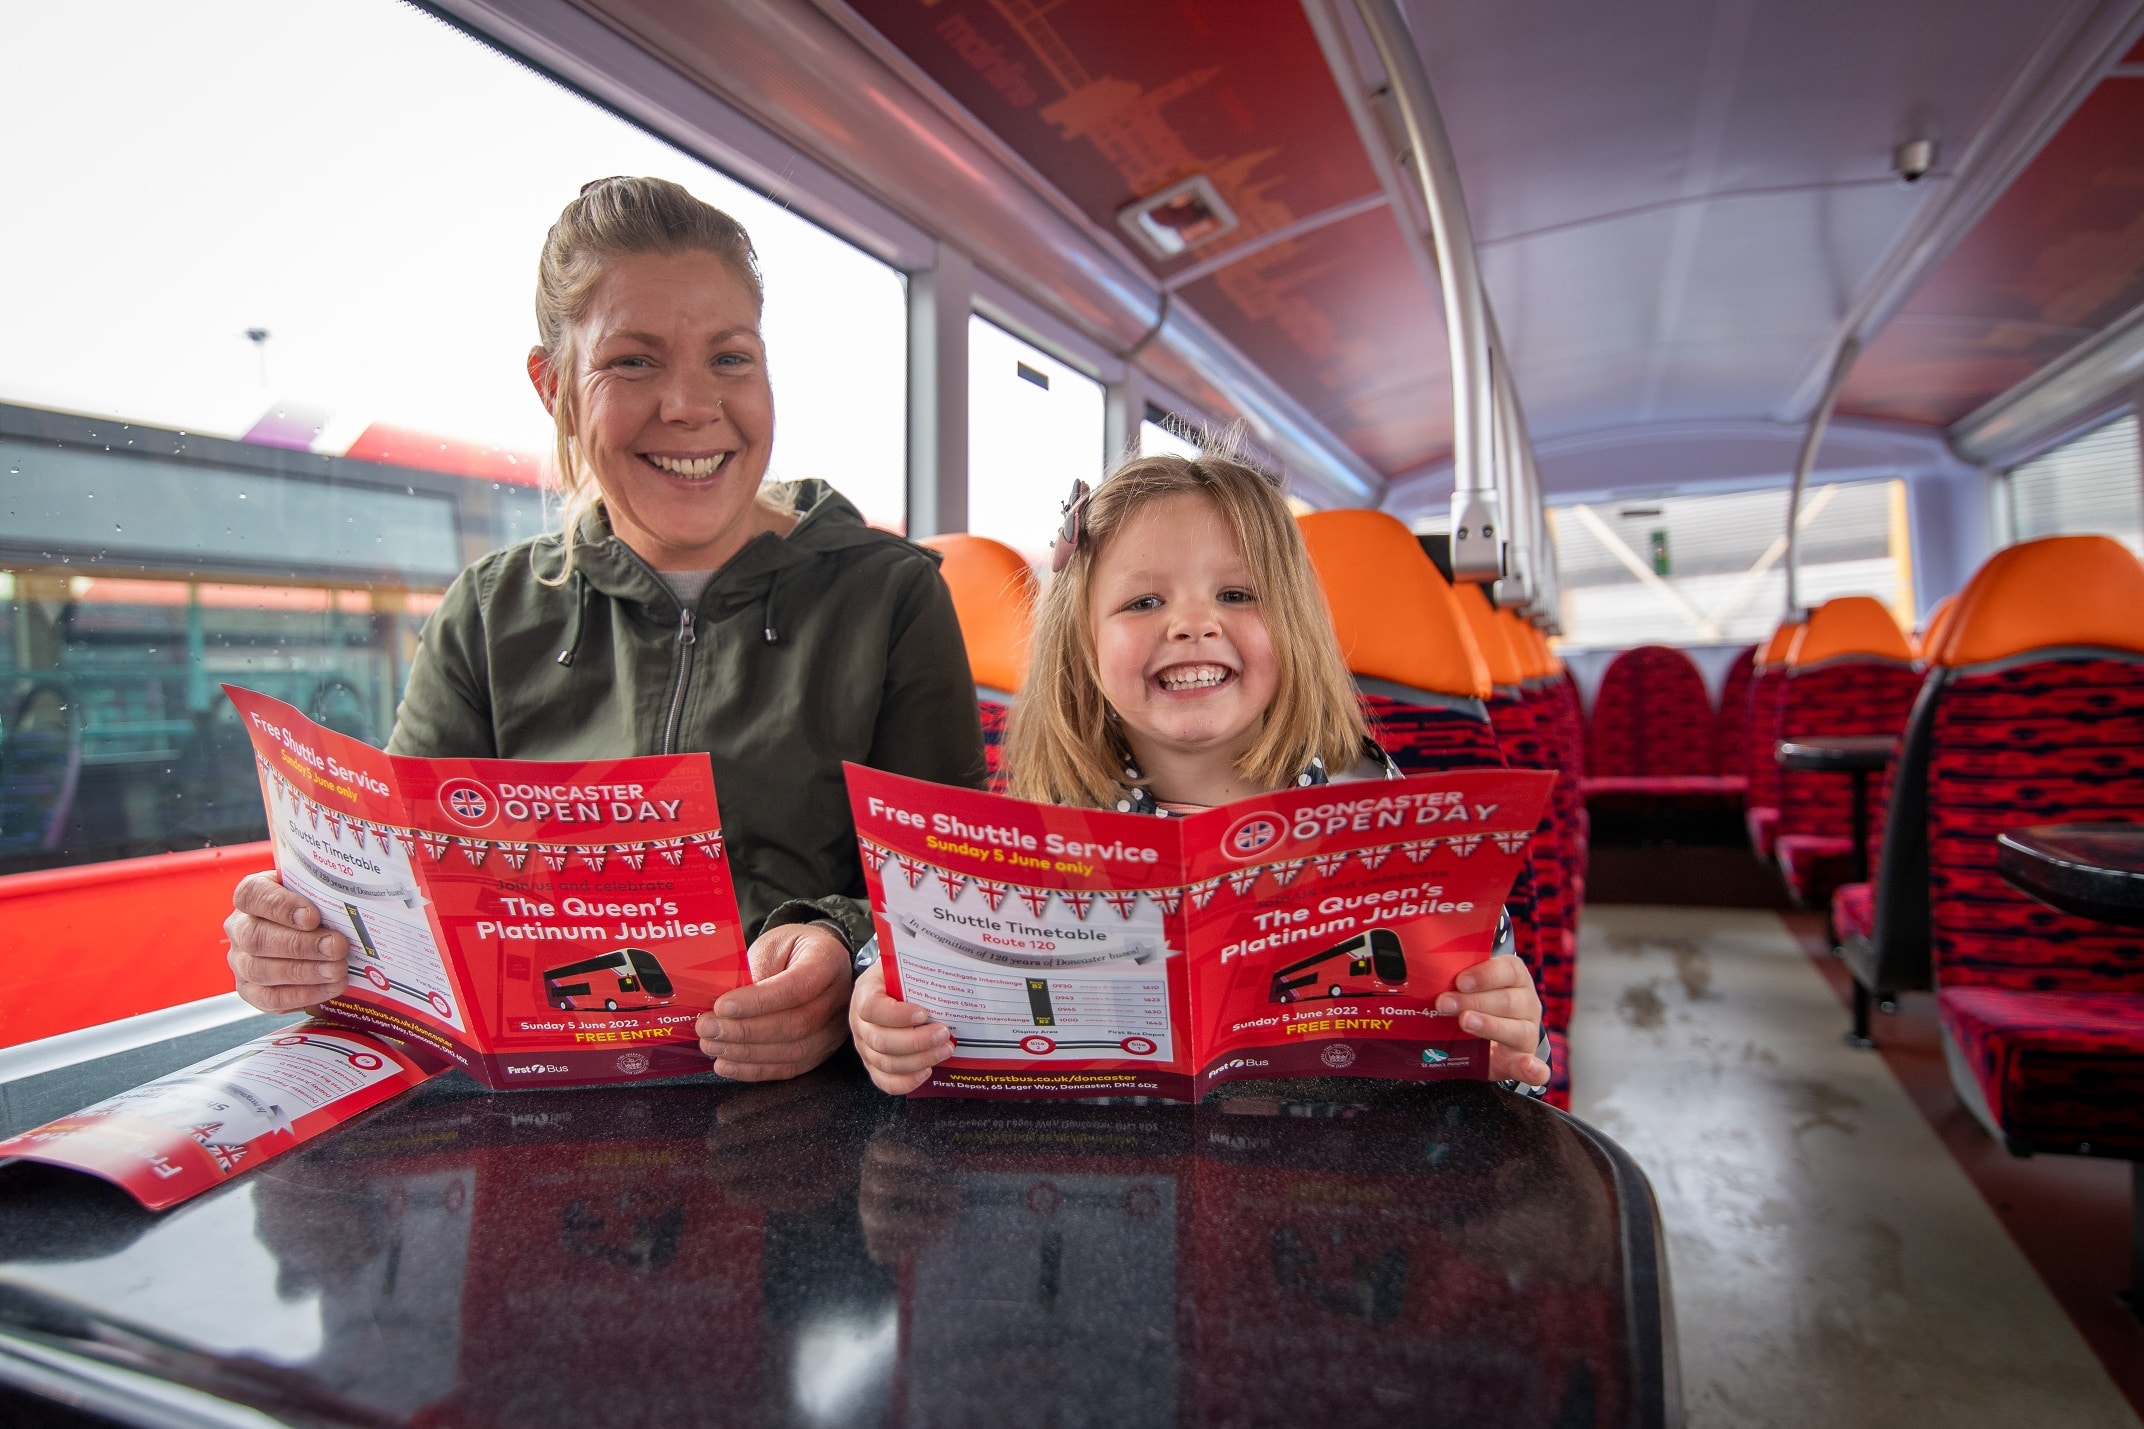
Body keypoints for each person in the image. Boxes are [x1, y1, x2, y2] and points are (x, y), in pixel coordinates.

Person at [224, 177, 986, 1080]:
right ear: (555, 387)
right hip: (548, 1112)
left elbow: (951, 908)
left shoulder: (891, 600)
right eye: (634, 362)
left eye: (730, 358)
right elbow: (413, 894)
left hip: (811, 1119)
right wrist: (311, 938)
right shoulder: (486, 614)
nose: (691, 406)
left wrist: (839, 948)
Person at [849, 449, 1550, 1093]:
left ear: (1295, 626)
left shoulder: (1377, 805)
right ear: (1082, 644)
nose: (1192, 624)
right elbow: (916, 963)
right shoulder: (1037, 824)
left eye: (1238, 595)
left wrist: (1503, 1032)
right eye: (1144, 602)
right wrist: (883, 1012)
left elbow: (1505, 1053)